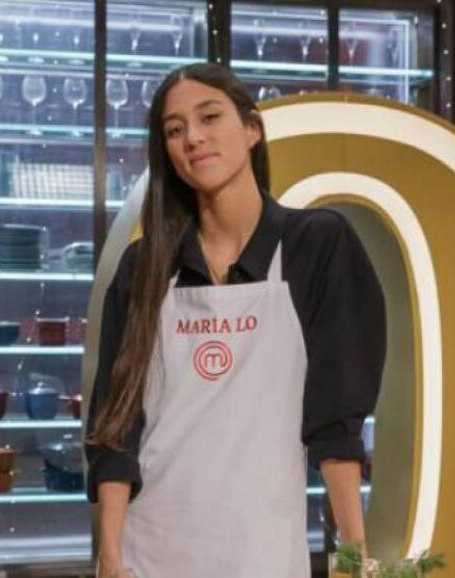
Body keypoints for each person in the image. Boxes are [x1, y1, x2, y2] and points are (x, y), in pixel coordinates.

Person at [85, 62, 386, 578]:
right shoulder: (145, 266)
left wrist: (355, 556)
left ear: (252, 129)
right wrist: (109, 556)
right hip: (149, 551)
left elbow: (335, 424)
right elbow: (116, 425)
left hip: (264, 552)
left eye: (209, 118)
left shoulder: (316, 245)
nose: (193, 138)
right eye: (175, 130)